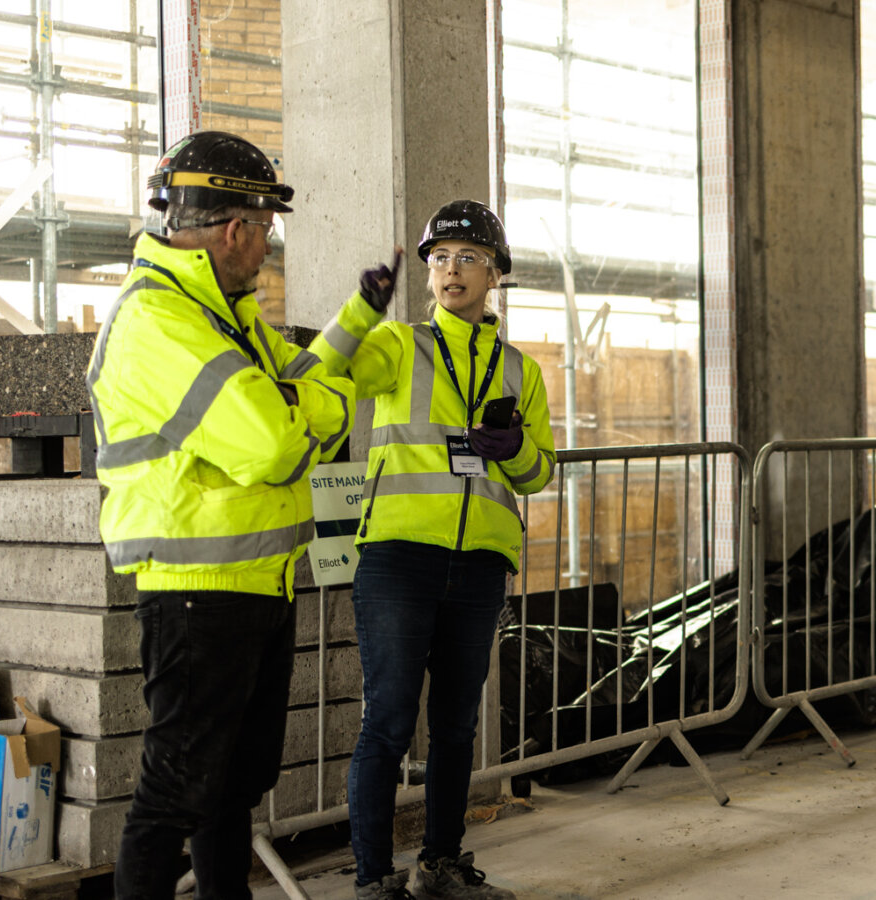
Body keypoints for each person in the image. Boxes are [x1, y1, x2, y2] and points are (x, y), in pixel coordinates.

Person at [86, 131, 368, 899]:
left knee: (232, 790)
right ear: (236, 229)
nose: (267, 250)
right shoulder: (157, 322)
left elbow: (304, 398)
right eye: (266, 231)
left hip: (255, 583)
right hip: (196, 589)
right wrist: (313, 406)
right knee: (173, 794)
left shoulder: (227, 315)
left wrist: (305, 399)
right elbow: (275, 446)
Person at [312, 199, 555, 900]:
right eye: (440, 258)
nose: (452, 270)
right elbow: (316, 370)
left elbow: (540, 475)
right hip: (398, 559)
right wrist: (359, 311)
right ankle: (371, 879)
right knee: (387, 719)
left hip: (479, 563)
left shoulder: (519, 370)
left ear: (495, 276)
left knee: (454, 726)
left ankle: (441, 865)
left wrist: (517, 451)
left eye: (468, 258)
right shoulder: (397, 347)